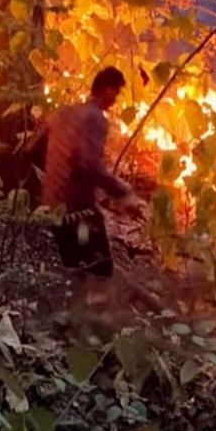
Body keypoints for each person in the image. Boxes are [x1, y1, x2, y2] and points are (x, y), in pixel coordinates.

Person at [40, 66, 145, 287]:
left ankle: (70, 313)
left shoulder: (62, 112)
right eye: (115, 93)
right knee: (100, 269)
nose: (115, 100)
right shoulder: (95, 118)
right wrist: (123, 191)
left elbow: (33, 148)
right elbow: (89, 165)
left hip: (51, 204)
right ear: (107, 90)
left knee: (73, 266)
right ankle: (88, 316)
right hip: (77, 211)